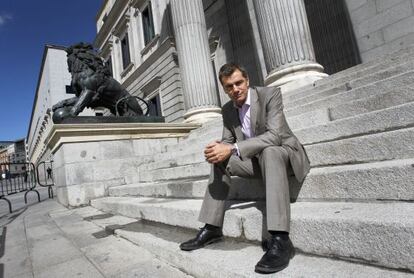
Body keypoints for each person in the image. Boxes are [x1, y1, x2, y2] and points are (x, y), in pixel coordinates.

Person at [179, 63, 310, 274]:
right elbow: (227, 141)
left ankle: (280, 238)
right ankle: (212, 228)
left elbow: (275, 136)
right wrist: (217, 149)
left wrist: (231, 148)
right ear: (224, 89)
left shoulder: (269, 94)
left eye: (239, 83)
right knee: (219, 158)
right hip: (257, 163)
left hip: (284, 156)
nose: (235, 89)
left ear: (247, 80)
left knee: (270, 151)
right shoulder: (227, 110)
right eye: (229, 87)